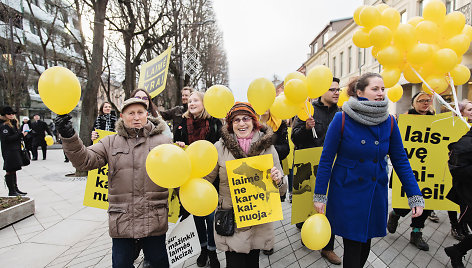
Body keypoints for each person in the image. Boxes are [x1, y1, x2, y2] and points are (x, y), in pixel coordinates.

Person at [313, 73, 424, 268]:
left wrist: (414, 195)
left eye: (382, 89)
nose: (381, 93)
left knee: (365, 244)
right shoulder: (342, 118)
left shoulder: (389, 121)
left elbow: (401, 161)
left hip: (375, 191)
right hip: (348, 191)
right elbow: (326, 160)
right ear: (359, 92)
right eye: (375, 89)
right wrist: (320, 194)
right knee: (354, 246)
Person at [54, 98, 172, 267]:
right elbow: (84, 161)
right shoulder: (110, 142)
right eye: (131, 113)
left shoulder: (164, 142)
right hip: (122, 218)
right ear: (122, 116)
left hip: (153, 217)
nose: (136, 117)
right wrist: (69, 136)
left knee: (158, 262)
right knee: (121, 264)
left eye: (140, 112)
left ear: (147, 114)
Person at [204, 102, 287, 267]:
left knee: (252, 263)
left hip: (258, 220)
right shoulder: (219, 148)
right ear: (230, 124)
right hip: (231, 219)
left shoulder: (268, 149)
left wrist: (278, 179)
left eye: (246, 118)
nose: (241, 123)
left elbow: (282, 188)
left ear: (254, 121)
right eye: (236, 120)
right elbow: (206, 180)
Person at [291, 77, 342, 265]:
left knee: (330, 206)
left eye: (338, 89)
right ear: (321, 91)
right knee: (309, 204)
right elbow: (295, 138)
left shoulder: (342, 113)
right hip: (309, 167)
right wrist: (305, 127)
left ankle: (328, 248)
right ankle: (308, 231)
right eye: (332, 89)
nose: (336, 92)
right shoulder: (307, 110)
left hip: (332, 167)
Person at [174, 91, 222, 268]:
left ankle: (212, 251)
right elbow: (175, 148)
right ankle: (203, 250)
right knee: (197, 216)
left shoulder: (215, 123)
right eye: (190, 101)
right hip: (190, 179)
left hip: (211, 178)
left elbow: (219, 149)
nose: (191, 103)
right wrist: (178, 145)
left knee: (210, 216)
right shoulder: (181, 125)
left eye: (196, 100)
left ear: (204, 103)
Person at [387, 91, 435, 251]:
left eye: (428, 100)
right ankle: (396, 214)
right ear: (414, 103)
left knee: (427, 201)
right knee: (407, 200)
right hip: (408, 168)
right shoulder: (404, 118)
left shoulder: (435, 120)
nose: (425, 103)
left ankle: (416, 232)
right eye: (421, 100)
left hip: (428, 168)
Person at [258, 109, 289, 256]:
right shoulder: (249, 122)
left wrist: (268, 150)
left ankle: (267, 243)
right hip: (255, 173)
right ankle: (255, 241)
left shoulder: (280, 123)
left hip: (273, 171)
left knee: (269, 208)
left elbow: (286, 148)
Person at [444, 126, 472, 268]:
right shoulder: (466, 143)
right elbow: (457, 170)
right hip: (468, 197)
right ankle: (457, 251)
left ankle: (456, 251)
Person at [447, 99, 472, 241]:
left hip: (465, 173)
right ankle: (455, 224)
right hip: (456, 170)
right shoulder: (453, 127)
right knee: (454, 198)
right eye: (469, 110)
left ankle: (462, 225)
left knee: (464, 203)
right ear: (461, 112)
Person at [0, 106, 27, 196]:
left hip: (15, 149)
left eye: (12, 113)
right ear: (5, 115)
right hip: (9, 151)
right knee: (10, 170)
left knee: (14, 169)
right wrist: (20, 135)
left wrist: (22, 135)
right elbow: (6, 139)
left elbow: (16, 136)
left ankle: (15, 189)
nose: (11, 115)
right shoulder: (4, 125)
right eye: (9, 114)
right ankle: (11, 191)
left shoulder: (13, 123)